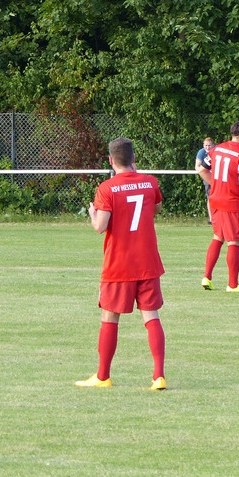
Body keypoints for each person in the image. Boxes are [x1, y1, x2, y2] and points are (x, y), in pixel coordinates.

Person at [76, 137, 168, 391]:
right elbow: (156, 208)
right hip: (147, 261)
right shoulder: (150, 182)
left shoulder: (106, 188)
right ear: (134, 159)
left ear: (110, 160)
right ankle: (158, 375)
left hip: (119, 264)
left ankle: (103, 376)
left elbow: (100, 226)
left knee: (110, 317)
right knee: (151, 316)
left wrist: (93, 214)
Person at [198, 121, 239, 292]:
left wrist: (215, 186)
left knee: (218, 237)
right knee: (234, 242)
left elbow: (201, 169)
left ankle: (207, 277)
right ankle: (233, 284)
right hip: (232, 202)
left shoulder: (218, 148)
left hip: (215, 200)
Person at [195, 136, 215, 223]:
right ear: (203, 145)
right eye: (206, 145)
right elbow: (197, 166)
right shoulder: (201, 152)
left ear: (213, 145)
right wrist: (204, 173)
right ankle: (211, 218)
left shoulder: (217, 151)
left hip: (217, 177)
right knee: (210, 197)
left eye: (209, 145)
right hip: (207, 176)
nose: (207, 147)